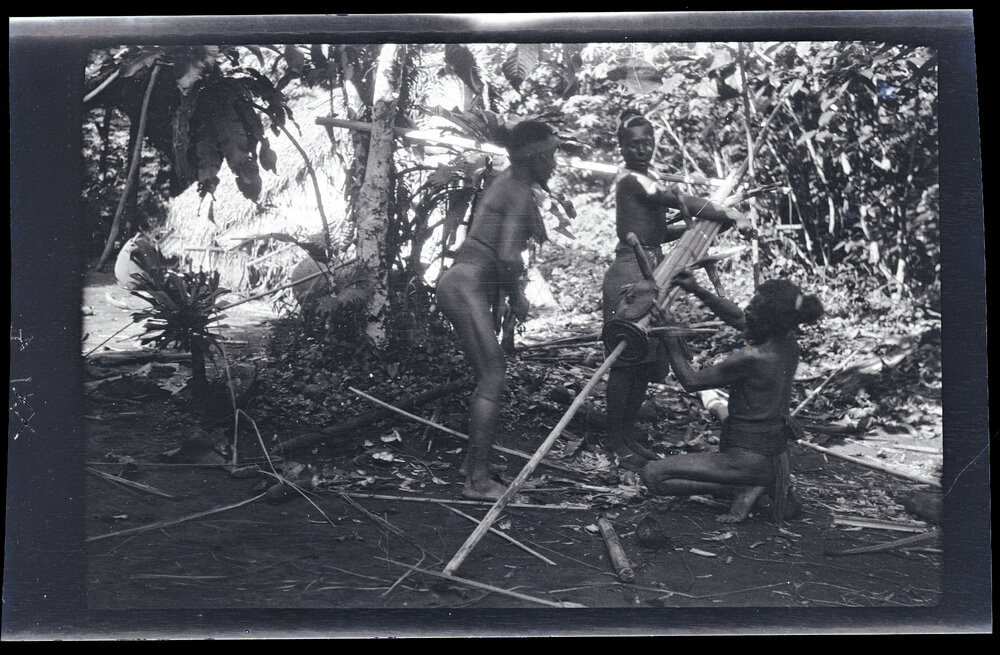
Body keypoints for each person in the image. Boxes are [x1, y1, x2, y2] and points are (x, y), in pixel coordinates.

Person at [602, 110, 750, 470]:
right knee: (626, 361)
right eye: (633, 143)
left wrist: (702, 231)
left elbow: (657, 232)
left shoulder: (648, 178)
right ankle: (614, 441)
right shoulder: (632, 180)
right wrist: (727, 213)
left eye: (647, 142)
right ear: (621, 146)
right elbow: (679, 203)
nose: (641, 148)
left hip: (653, 270)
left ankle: (628, 434)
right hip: (629, 272)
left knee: (645, 363)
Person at [436, 120, 560, 500]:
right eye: (552, 154)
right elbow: (506, 256)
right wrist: (518, 297)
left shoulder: (504, 183)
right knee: (493, 376)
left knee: (488, 375)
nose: (555, 163)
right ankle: (477, 480)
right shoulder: (518, 192)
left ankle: (475, 463)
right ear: (537, 156)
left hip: (463, 283)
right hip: (465, 285)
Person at [640, 271, 824, 522]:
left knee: (653, 475)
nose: (746, 309)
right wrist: (698, 290)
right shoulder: (788, 342)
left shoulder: (752, 358)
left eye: (754, 308)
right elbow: (736, 316)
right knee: (725, 416)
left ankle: (743, 486)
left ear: (768, 321)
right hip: (772, 452)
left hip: (747, 459)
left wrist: (669, 332)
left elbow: (691, 381)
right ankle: (762, 484)